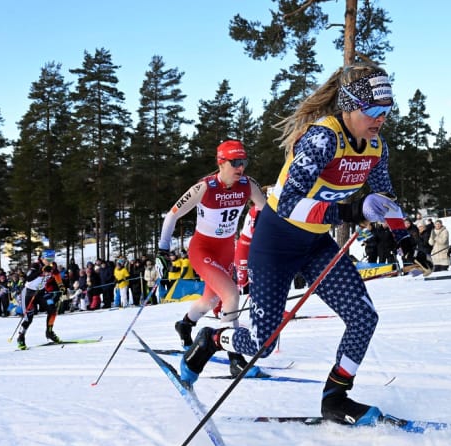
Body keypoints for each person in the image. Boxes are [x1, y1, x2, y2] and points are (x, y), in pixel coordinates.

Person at [178, 62, 431, 425]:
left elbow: (385, 195)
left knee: (363, 318)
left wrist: (406, 239)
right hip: (275, 245)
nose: (380, 119)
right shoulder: (322, 138)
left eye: (386, 112)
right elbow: (288, 204)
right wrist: (352, 209)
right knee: (261, 346)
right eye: (373, 111)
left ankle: (336, 399)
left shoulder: (377, 147)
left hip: (314, 246)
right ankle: (211, 340)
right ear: (349, 106)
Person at [156, 139, 267, 378]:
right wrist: (162, 251)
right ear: (221, 163)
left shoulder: (248, 185)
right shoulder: (205, 188)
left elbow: (266, 212)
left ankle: (185, 324)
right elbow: (171, 216)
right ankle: (235, 356)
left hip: (227, 248)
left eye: (244, 162)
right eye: (235, 162)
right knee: (231, 294)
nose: (241, 168)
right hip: (203, 249)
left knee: (210, 300)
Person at [16, 254, 63, 350]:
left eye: (51, 259)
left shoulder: (52, 265)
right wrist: (40, 271)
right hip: (28, 293)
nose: (50, 261)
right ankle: (21, 337)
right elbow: (28, 278)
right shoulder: (36, 265)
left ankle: (49, 332)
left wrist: (61, 285)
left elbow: (57, 275)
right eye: (48, 259)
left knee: (52, 309)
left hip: (41, 292)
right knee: (29, 318)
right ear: (42, 259)